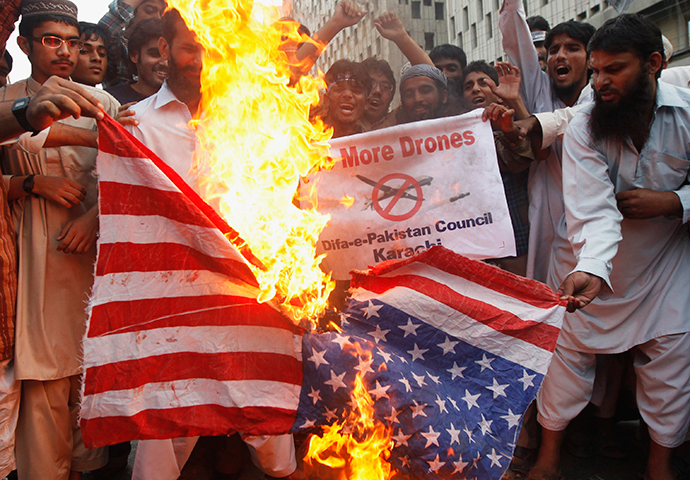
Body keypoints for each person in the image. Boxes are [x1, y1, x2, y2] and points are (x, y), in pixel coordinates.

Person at [125, 9, 298, 479]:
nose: (204, 59)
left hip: (248, 289)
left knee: (266, 417)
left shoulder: (259, 115)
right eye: (190, 47)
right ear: (162, 48)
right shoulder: (134, 125)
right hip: (172, 297)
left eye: (211, 47)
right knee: (166, 421)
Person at [529, 14, 690, 480]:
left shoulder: (687, 112)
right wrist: (594, 269)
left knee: (670, 367)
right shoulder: (583, 125)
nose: (600, 83)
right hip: (583, 263)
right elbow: (592, 210)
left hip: (664, 265)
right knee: (565, 362)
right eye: (596, 71)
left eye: (614, 69)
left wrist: (673, 202)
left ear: (654, 64)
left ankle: (659, 466)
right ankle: (548, 459)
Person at [0, 1, 120, 478]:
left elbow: (127, 178)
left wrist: (92, 217)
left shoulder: (105, 105)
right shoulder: (7, 102)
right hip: (32, 256)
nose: (65, 52)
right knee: (43, 380)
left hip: (91, 260)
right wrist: (34, 184)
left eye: (72, 42)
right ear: (25, 44)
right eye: (52, 40)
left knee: (90, 374)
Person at [98, 0, 167, 87]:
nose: (157, 17)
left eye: (161, 13)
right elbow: (106, 30)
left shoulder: (169, 43)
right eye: (149, 10)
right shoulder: (121, 47)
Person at [106, 17, 167, 104]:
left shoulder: (187, 102)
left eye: (170, 57)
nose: (164, 63)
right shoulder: (110, 101)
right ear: (134, 55)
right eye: (154, 54)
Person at [320, 60, 371, 138]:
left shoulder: (372, 142)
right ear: (326, 99)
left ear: (366, 103)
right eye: (339, 89)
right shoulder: (305, 138)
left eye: (356, 91)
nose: (347, 95)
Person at [361, 57, 396, 131]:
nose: (377, 91)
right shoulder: (338, 126)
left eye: (385, 87)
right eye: (370, 84)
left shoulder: (400, 123)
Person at [70, 22, 108, 87]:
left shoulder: (112, 96)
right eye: (85, 51)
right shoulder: (51, 94)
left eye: (102, 53)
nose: (97, 58)